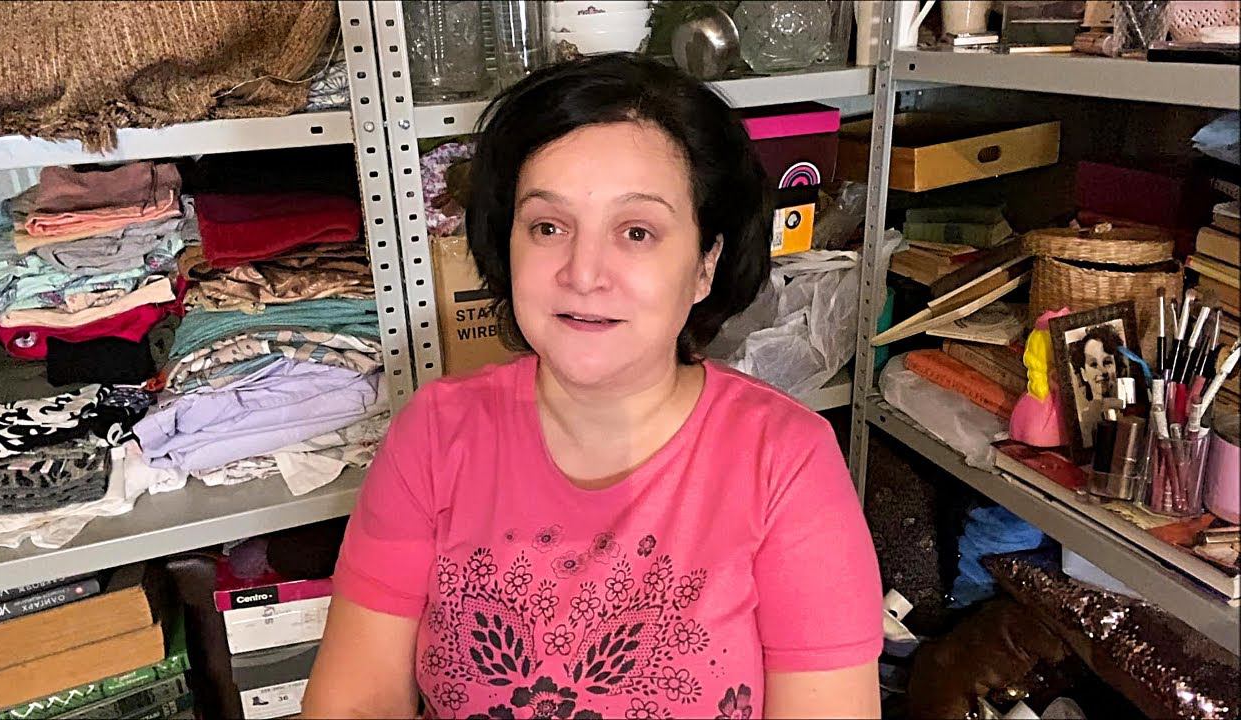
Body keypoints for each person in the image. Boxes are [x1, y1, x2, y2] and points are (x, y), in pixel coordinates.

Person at [301, 54, 882, 720]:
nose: (582, 273)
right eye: (548, 227)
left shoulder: (785, 460)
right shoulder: (435, 433)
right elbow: (357, 699)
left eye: (636, 232)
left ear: (705, 265)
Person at [1068, 323, 1126, 447]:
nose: (1102, 370)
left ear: (1117, 366)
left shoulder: (1129, 412)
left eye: (1107, 362)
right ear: (1083, 373)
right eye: (1093, 364)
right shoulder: (1084, 421)